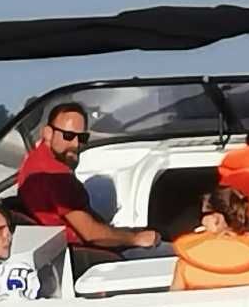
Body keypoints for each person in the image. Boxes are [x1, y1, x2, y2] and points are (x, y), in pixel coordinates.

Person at [13, 102, 159, 261]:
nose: (75, 144)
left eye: (82, 137)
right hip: (80, 256)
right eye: (68, 136)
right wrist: (136, 238)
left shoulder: (34, 160)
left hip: (63, 250)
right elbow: (92, 234)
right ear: (48, 133)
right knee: (169, 252)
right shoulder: (57, 176)